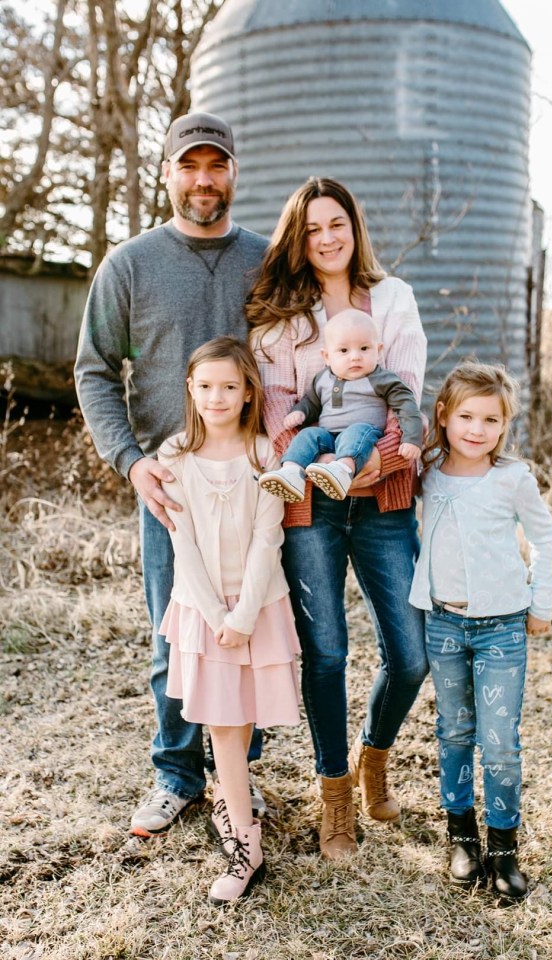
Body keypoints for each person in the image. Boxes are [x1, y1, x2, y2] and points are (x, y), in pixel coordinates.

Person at [74, 111, 269, 837]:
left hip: (256, 481)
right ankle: (177, 775)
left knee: (254, 629)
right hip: (172, 486)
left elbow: (302, 360)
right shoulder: (129, 265)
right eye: (189, 165)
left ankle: (239, 781)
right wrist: (130, 464)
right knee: (176, 637)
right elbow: (95, 372)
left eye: (216, 165)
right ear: (167, 174)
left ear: (233, 173)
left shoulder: (268, 259)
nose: (203, 179)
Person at [247, 176, 429, 860]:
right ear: (298, 237)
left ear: (355, 228)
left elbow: (405, 394)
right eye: (313, 227)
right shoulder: (279, 320)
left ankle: (373, 757)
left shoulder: (394, 300)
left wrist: (370, 465)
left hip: (383, 498)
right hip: (311, 507)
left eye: (338, 223)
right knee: (326, 653)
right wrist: (317, 465)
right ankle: (334, 796)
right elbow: (277, 413)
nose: (327, 237)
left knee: (410, 655)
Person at [408, 360, 552, 903]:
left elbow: (547, 537)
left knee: (499, 743)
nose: (477, 429)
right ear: (443, 416)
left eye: (491, 420)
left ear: (504, 425)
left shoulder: (511, 478)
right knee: (453, 731)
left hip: (501, 628)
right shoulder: (426, 471)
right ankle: (462, 836)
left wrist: (539, 603)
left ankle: (503, 848)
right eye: (466, 416)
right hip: (443, 622)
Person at [157, 337, 300, 904]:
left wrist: (241, 617)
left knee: (239, 728)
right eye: (206, 385)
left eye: (230, 387)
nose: (216, 396)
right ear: (190, 389)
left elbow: (271, 541)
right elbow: (182, 545)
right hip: (203, 612)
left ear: (248, 394)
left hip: (259, 609)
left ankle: (231, 802)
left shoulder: (265, 457)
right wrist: (218, 616)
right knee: (223, 730)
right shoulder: (173, 457)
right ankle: (246, 847)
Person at [258, 308, 422, 502]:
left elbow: (407, 405)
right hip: (329, 438)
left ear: (378, 351)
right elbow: (311, 402)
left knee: (355, 431)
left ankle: (342, 470)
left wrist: (412, 438)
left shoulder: (382, 379)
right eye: (344, 350)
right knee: (308, 435)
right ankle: (292, 472)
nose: (355, 357)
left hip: (365, 435)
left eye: (364, 349)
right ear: (327, 357)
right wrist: (300, 412)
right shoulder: (322, 379)